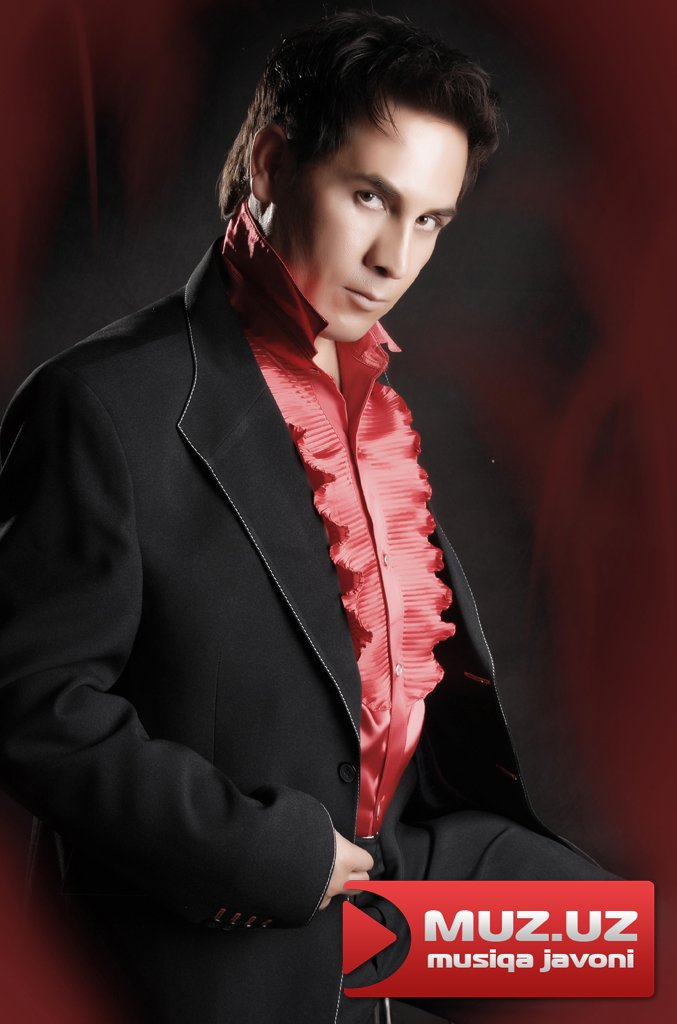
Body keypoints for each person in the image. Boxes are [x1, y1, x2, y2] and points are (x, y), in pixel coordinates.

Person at [0, 11, 615, 1024]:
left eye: (430, 221)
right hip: (236, 921)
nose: (393, 258)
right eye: (370, 197)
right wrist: (257, 849)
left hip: (405, 888)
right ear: (272, 163)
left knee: (628, 945)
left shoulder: (377, 414)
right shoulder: (102, 406)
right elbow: (31, 708)